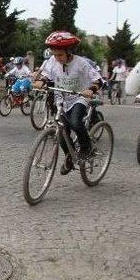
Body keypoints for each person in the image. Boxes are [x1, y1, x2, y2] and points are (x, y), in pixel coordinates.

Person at [33, 31, 102, 175]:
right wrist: (41, 81)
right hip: (61, 98)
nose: (57, 58)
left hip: (79, 97)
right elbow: (46, 75)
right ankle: (70, 158)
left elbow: (98, 80)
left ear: (69, 52)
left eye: (60, 55)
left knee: (75, 122)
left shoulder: (81, 63)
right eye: (55, 55)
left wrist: (91, 89)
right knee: (61, 131)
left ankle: (86, 148)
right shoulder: (52, 61)